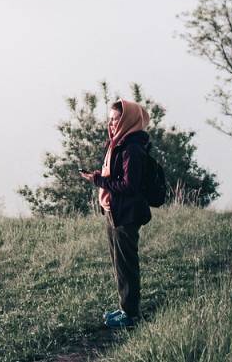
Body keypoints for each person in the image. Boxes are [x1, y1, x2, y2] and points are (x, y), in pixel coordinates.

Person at [80, 98, 152, 329]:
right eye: (110, 120)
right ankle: (125, 309)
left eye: (116, 119)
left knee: (127, 264)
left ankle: (130, 315)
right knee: (119, 263)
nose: (111, 124)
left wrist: (98, 180)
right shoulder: (118, 144)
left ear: (128, 120)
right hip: (115, 211)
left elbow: (129, 186)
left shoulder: (132, 147)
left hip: (126, 214)